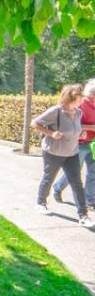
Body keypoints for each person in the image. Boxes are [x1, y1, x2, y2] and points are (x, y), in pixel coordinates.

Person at [31, 83, 92, 226]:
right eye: (80, 95)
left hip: (72, 153)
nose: (82, 98)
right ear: (72, 96)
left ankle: (83, 216)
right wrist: (51, 133)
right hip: (53, 152)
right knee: (48, 178)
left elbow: (75, 130)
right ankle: (40, 203)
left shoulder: (78, 113)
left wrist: (80, 133)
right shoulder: (56, 111)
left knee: (77, 183)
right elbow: (34, 123)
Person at [52, 79, 95, 209]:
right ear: (91, 95)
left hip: (92, 144)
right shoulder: (81, 104)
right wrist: (91, 127)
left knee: (93, 173)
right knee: (74, 172)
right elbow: (72, 124)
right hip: (79, 144)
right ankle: (57, 188)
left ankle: (90, 200)